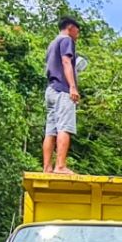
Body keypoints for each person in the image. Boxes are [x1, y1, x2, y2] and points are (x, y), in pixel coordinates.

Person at [44, 16, 81, 174]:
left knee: (50, 130)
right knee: (64, 127)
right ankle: (60, 166)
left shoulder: (52, 44)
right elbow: (66, 62)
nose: (77, 35)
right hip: (62, 89)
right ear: (71, 27)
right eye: (77, 32)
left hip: (50, 89)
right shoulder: (67, 40)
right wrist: (72, 87)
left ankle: (47, 167)